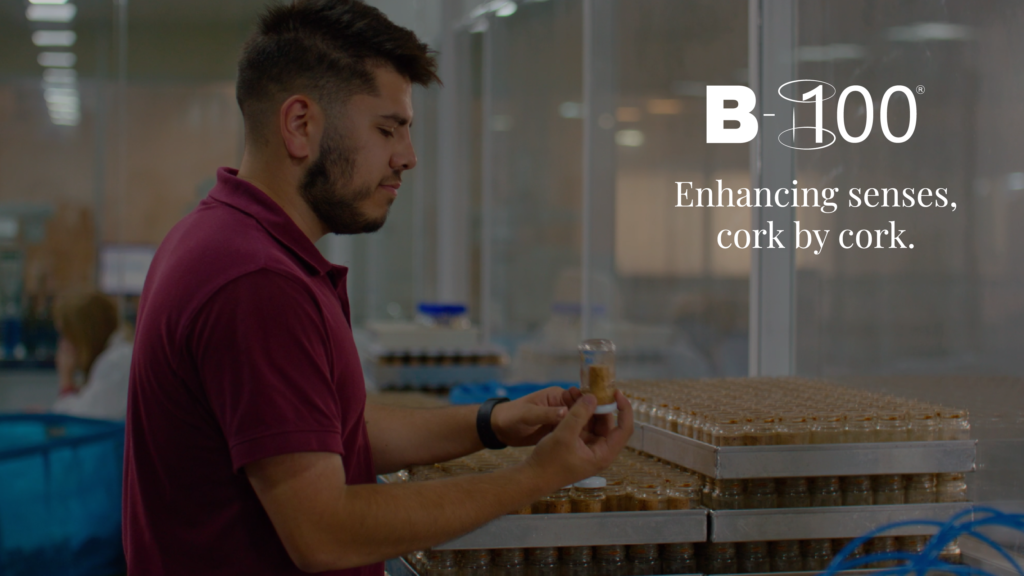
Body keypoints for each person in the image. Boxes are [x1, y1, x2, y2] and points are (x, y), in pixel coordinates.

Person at [123, 2, 633, 575]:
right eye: (388, 129)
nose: (407, 158)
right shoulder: (256, 282)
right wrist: (538, 476)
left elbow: (330, 431)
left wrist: (492, 423)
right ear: (300, 125)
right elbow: (326, 531)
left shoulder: (222, 237)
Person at [51, 291, 132, 420]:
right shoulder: (115, 357)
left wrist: (66, 381)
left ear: (82, 336)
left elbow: (80, 425)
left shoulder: (116, 362)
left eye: (66, 335)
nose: (62, 344)